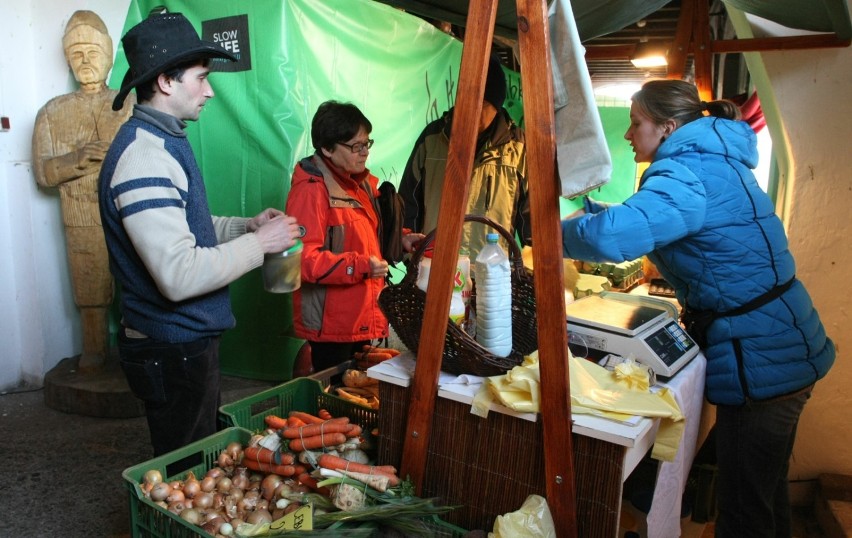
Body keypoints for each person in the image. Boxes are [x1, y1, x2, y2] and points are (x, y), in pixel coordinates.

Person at [561, 79, 835, 537]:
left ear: (667, 128)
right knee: (765, 496)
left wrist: (550, 232)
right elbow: (669, 219)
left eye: (636, 123)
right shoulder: (712, 161)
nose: (629, 135)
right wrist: (595, 210)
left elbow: (614, 237)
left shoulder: (685, 174)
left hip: (764, 356)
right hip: (787, 340)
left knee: (745, 511)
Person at [98, 13, 302, 456]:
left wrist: (244, 227)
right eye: (202, 77)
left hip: (186, 344)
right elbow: (178, 275)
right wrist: (260, 244)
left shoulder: (164, 140)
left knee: (201, 458)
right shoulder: (143, 157)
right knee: (187, 469)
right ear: (167, 83)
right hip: (171, 349)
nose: (209, 90)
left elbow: (187, 229)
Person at [285, 101, 424, 373]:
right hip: (333, 326)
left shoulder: (360, 184)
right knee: (334, 402)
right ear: (327, 148)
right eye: (355, 146)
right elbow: (302, 261)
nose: (364, 153)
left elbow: (367, 234)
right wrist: (359, 266)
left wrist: (402, 240)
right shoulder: (311, 191)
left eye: (366, 143)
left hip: (362, 315)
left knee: (359, 396)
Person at [32, 10, 134, 371]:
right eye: (76, 54)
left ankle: (138, 351)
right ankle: (94, 350)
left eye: (92, 51)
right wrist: (76, 158)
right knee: (90, 285)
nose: (85, 60)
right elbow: (43, 172)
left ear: (108, 55)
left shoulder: (128, 104)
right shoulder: (51, 112)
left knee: (137, 279)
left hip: (128, 207)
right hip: (80, 214)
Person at [399, 54, 531, 262]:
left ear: (496, 107)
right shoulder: (433, 138)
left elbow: (531, 218)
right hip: (436, 269)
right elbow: (408, 203)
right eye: (468, 100)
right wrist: (411, 256)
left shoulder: (519, 148)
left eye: (482, 104)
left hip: (493, 275)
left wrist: (533, 266)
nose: (472, 110)